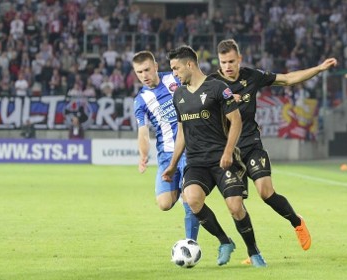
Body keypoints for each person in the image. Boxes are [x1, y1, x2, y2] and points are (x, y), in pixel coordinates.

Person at [209, 39, 336, 263]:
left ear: (239, 59)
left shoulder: (252, 76)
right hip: (228, 151)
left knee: (266, 192)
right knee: (235, 206)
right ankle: (253, 251)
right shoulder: (213, 84)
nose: (227, 66)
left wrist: (318, 69)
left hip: (251, 145)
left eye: (231, 61)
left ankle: (297, 222)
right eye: (223, 62)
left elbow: (286, 79)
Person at [162, 46, 266, 267]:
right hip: (196, 162)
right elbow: (181, 132)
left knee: (235, 207)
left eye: (176, 68)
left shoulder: (218, 88)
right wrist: (172, 165)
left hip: (222, 159)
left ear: (190, 64)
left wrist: (229, 152)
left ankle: (253, 251)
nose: (174, 74)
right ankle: (224, 241)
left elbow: (236, 121)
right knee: (192, 199)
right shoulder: (179, 95)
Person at [132, 51, 200, 241]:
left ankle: (191, 242)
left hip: (189, 150)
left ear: (155, 66)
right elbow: (143, 132)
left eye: (147, 69)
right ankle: (184, 189)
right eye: (139, 72)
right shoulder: (141, 100)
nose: (144, 75)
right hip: (166, 155)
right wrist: (143, 156)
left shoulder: (174, 77)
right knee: (164, 203)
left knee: (190, 200)